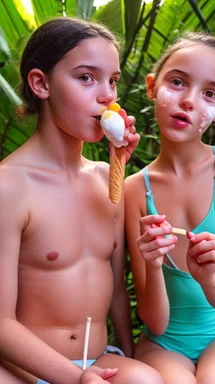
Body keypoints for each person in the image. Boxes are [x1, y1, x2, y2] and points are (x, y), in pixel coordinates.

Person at [0, 17, 165, 384]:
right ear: (41, 84)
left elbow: (117, 290)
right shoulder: (9, 186)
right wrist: (75, 380)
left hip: (97, 361)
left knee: (147, 380)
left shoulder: (107, 180)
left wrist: (127, 353)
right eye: (87, 77)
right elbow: (0, 324)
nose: (107, 95)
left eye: (113, 80)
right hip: (22, 369)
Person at [125, 31, 215, 383]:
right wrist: (153, 266)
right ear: (152, 87)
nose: (189, 101)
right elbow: (155, 321)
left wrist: (209, 278)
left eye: (210, 93)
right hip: (162, 344)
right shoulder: (134, 190)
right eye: (178, 82)